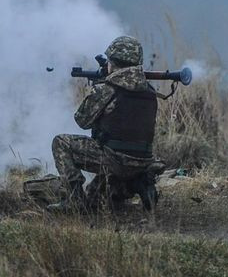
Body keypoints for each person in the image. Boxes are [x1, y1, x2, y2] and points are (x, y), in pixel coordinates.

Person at [47, 36, 162, 213]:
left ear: (113, 63)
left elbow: (82, 121)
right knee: (95, 199)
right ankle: (138, 183)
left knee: (61, 142)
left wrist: (95, 91)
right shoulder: (149, 90)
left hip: (115, 160)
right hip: (143, 161)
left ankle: (74, 201)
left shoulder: (107, 89)